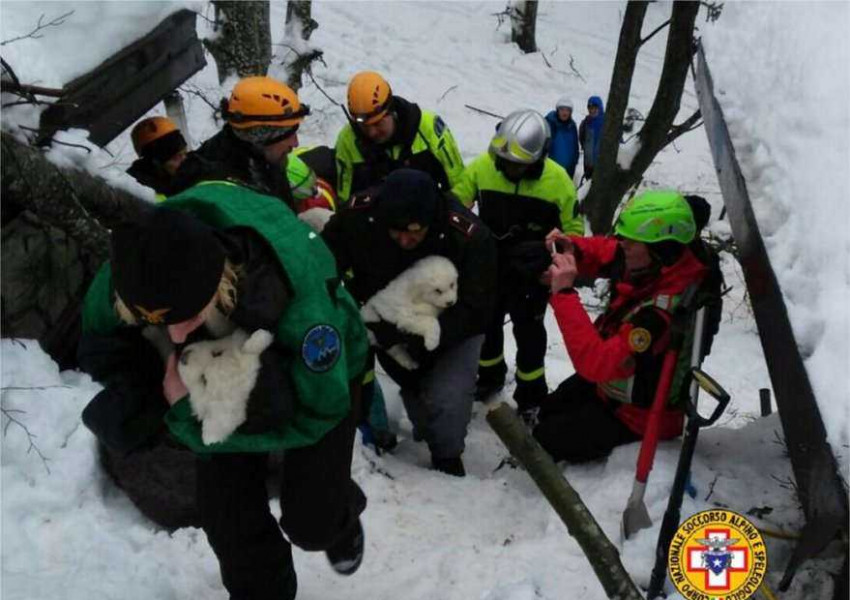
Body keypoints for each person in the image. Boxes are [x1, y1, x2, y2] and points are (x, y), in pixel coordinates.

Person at [77, 182, 370, 599]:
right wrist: (141, 392)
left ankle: (338, 515)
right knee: (230, 522)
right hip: (213, 368)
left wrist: (183, 414)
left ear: (221, 282)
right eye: (160, 321)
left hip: (320, 377)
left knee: (312, 522)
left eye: (187, 315)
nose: (175, 333)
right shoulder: (131, 274)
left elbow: (317, 413)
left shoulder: (301, 309)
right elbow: (99, 343)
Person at [322, 169, 498, 477]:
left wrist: (422, 338)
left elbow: (477, 307)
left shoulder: (467, 236)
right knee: (415, 389)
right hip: (382, 317)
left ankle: (447, 459)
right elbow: (324, 265)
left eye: (414, 231)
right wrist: (359, 311)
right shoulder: (359, 217)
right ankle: (381, 432)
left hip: (450, 326)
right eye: (396, 231)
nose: (405, 239)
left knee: (448, 399)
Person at [534, 191, 714, 463]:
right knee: (548, 409)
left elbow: (595, 363)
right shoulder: (662, 262)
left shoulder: (658, 316)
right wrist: (573, 247)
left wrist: (564, 294)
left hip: (636, 416)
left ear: (660, 249)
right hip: (610, 389)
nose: (623, 245)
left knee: (548, 438)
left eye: (631, 241)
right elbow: (608, 251)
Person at [451, 109, 584, 416]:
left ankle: (532, 394)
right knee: (487, 328)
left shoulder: (558, 181)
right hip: (490, 267)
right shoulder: (483, 167)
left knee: (530, 335)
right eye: (506, 161)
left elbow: (574, 235)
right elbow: (456, 206)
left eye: (518, 164)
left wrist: (552, 258)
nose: (509, 168)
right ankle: (489, 378)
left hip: (532, 275)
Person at [334, 71, 465, 203]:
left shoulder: (429, 128)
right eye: (364, 126)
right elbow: (344, 201)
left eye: (377, 124)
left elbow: (460, 188)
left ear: (391, 111)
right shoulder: (347, 140)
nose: (372, 132)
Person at [173, 76, 308, 203]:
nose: (295, 144)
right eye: (288, 135)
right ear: (260, 136)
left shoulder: (264, 158)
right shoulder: (212, 184)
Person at [126, 116, 188, 198]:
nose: (185, 160)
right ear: (154, 163)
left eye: (185, 153)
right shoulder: (140, 195)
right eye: (176, 158)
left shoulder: (194, 168)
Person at [545, 97, 579, 178]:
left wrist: (574, 162)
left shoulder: (572, 126)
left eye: (567, 110)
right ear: (557, 110)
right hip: (551, 171)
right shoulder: (550, 124)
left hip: (568, 171)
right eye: (562, 109)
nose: (564, 112)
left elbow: (575, 147)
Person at [578, 95, 605, 180]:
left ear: (600, 108)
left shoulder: (607, 123)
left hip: (602, 166)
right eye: (589, 108)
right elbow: (582, 141)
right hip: (588, 165)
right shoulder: (586, 123)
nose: (592, 110)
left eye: (594, 108)